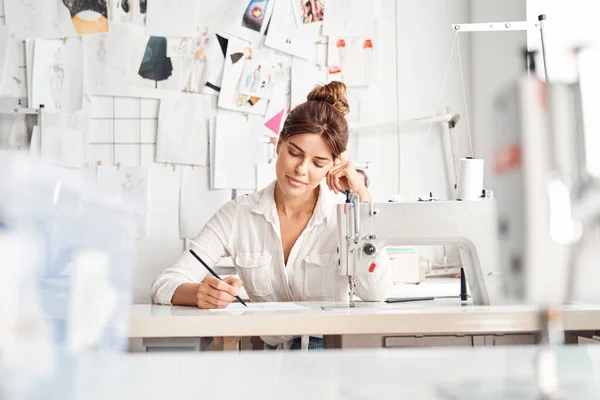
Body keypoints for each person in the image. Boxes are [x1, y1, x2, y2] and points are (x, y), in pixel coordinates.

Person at [151, 81, 391, 350]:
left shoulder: (345, 217)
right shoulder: (238, 215)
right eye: (294, 153)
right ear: (279, 144)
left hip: (331, 359)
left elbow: (375, 294)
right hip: (271, 358)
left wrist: (362, 196)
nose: (301, 169)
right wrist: (199, 293)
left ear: (334, 165)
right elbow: (164, 284)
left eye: (318, 163)